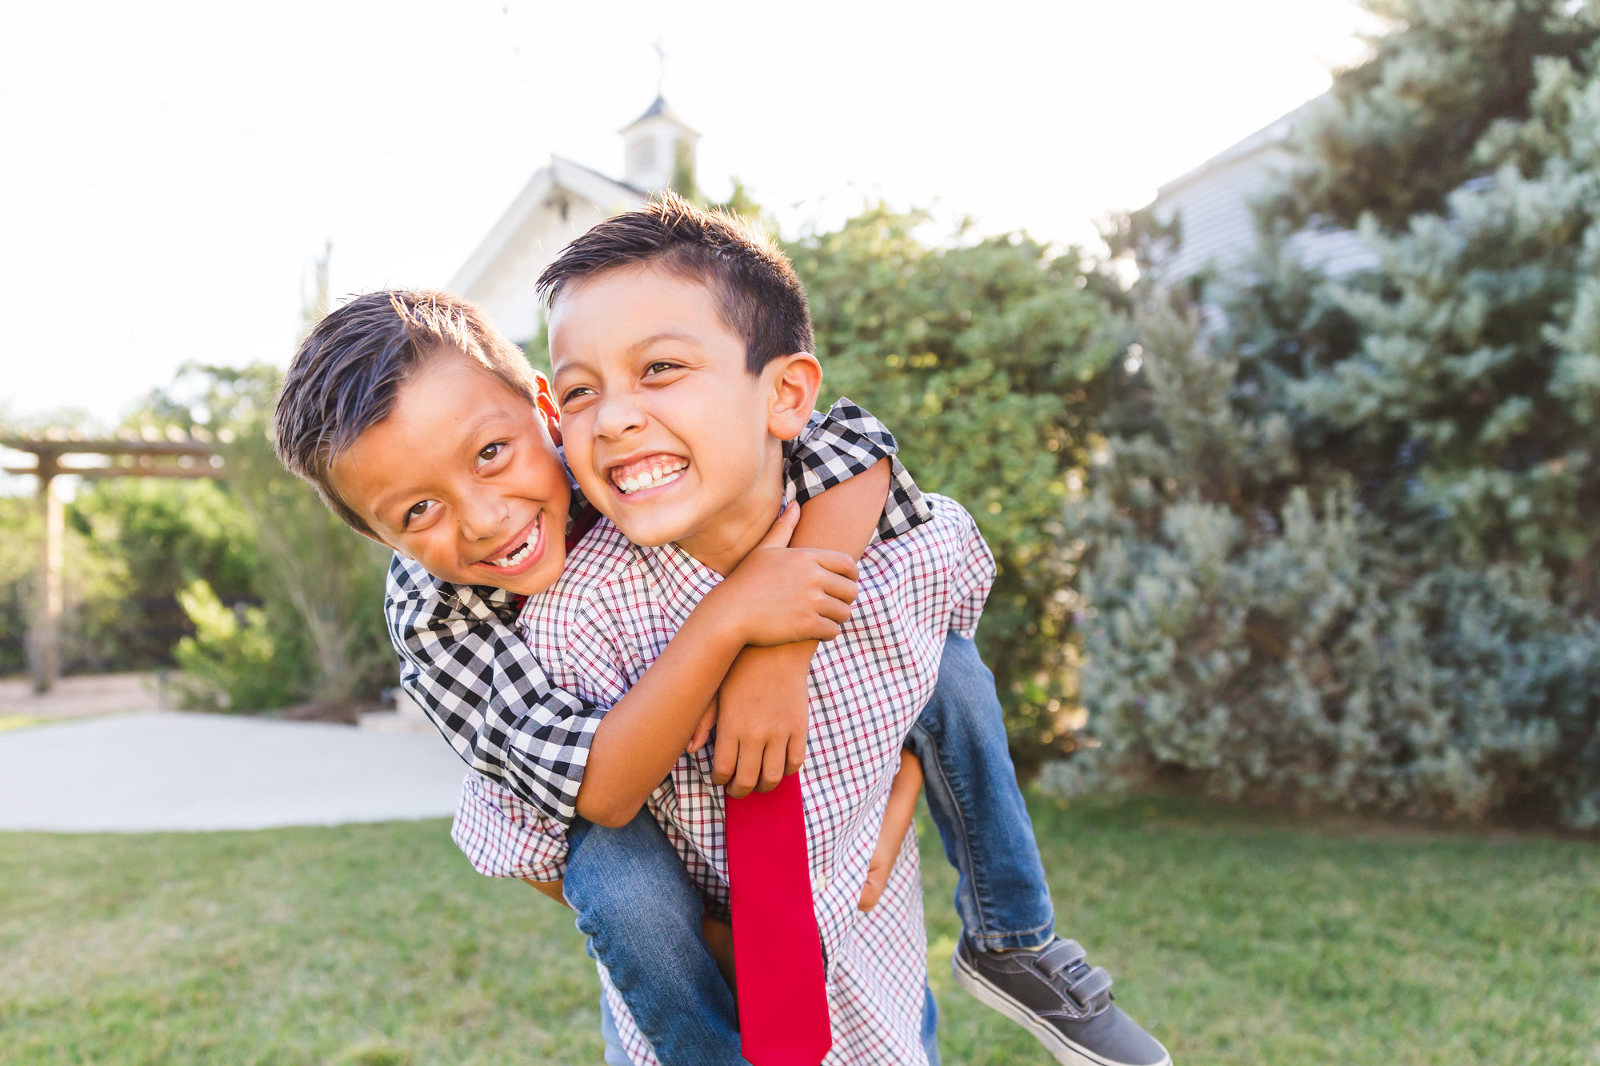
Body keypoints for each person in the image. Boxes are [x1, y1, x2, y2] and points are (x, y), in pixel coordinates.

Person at [273, 199, 1167, 1066]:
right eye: (418, 511)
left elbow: (852, 444)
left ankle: (1012, 938)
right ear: (379, 537)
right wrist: (735, 620)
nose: (481, 519)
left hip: (853, 936)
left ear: (543, 412)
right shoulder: (445, 622)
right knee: (619, 878)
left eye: (492, 454)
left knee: (952, 667)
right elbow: (596, 797)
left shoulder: (614, 452)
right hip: (619, 842)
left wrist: (780, 655)